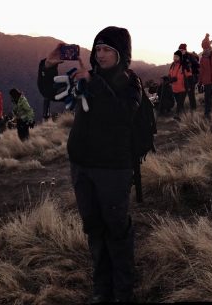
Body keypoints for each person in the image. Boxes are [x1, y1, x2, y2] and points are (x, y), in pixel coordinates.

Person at [37, 27, 155, 303]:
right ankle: (102, 290)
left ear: (121, 54)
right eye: (98, 49)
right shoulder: (87, 78)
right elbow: (50, 92)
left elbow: (121, 113)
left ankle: (122, 292)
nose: (100, 55)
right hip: (82, 166)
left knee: (116, 229)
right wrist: (49, 65)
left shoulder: (129, 82)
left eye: (108, 50)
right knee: (93, 228)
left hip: (113, 169)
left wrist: (93, 84)